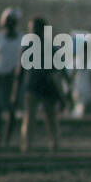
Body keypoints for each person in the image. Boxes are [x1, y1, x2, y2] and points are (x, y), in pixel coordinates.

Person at [20, 16, 63, 150]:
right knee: (30, 117)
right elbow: (20, 69)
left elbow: (58, 70)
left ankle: (54, 144)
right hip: (33, 86)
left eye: (34, 29)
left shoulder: (50, 47)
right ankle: (27, 145)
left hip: (47, 86)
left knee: (50, 117)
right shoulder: (28, 46)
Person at [0, 7, 23, 145]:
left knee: (12, 109)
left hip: (14, 77)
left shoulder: (22, 38)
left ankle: (7, 138)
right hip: (0, 76)